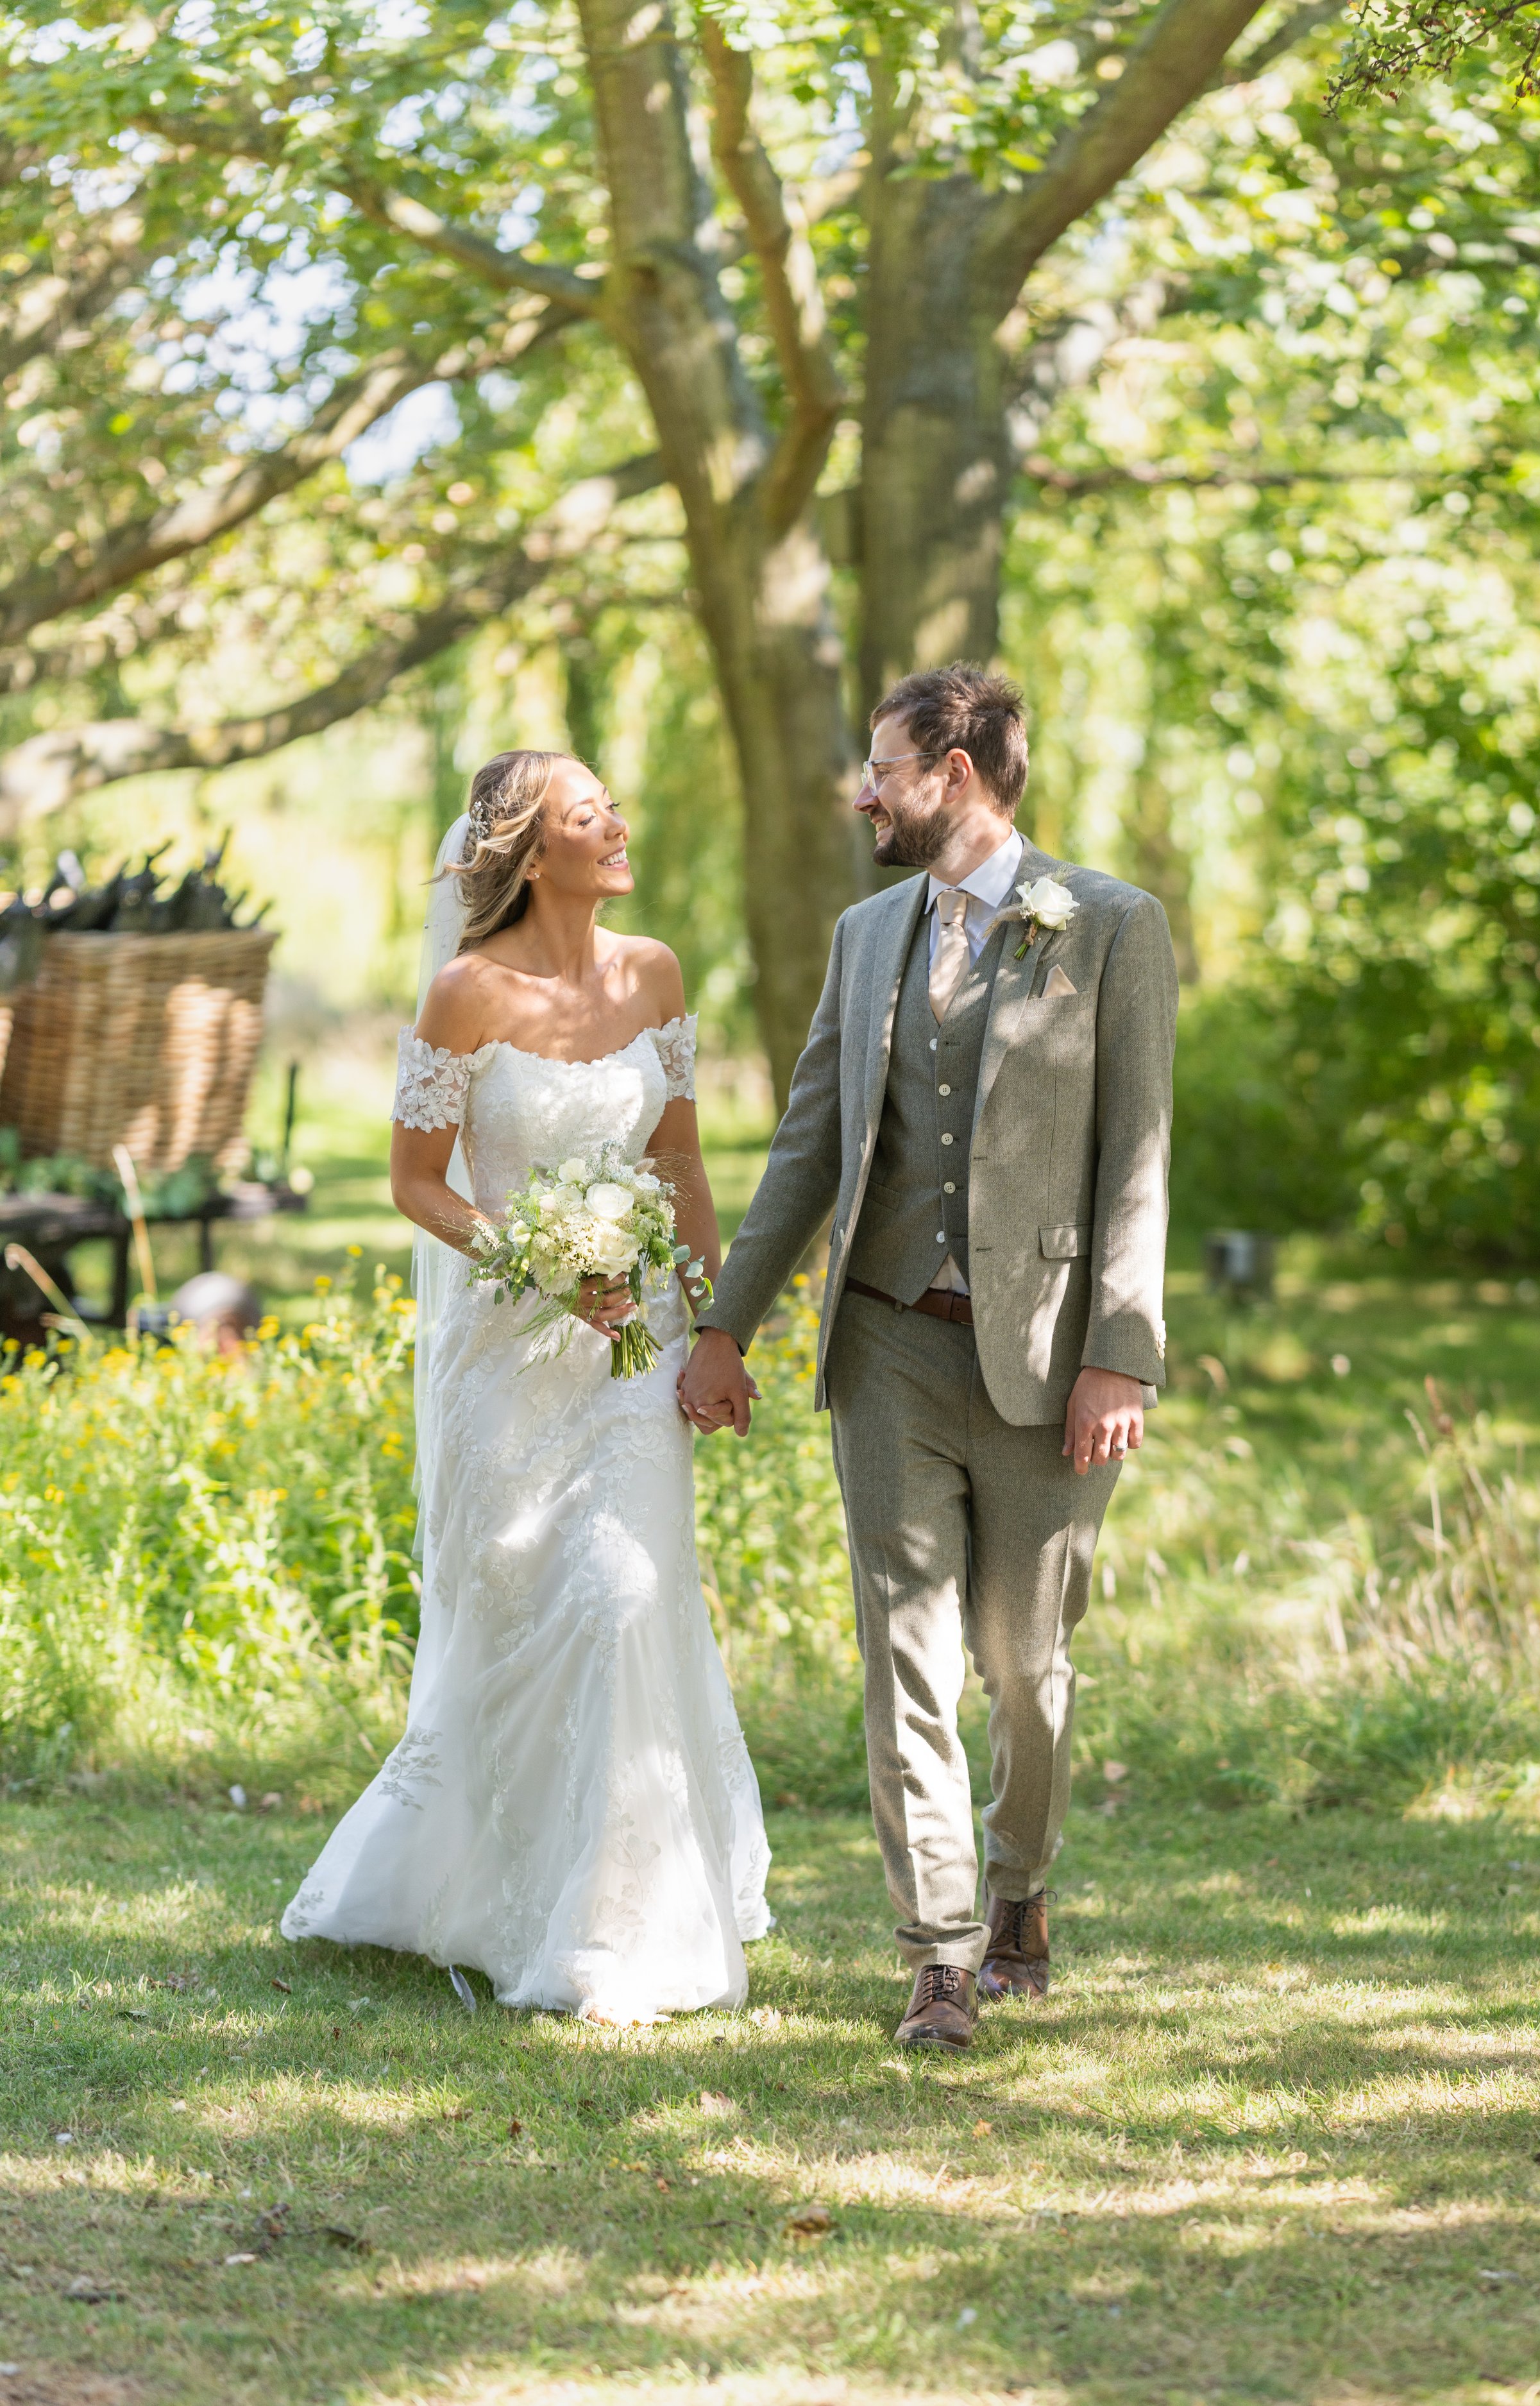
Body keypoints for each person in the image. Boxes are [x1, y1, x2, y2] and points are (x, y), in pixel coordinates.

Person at [681, 665, 1175, 2052]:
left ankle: (1019, 1889)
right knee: (904, 1653)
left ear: (955, 774)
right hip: (889, 1337)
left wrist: (1118, 1355)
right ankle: (941, 1957)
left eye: (884, 769)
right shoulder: (861, 933)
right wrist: (728, 1318)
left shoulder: (1109, 929)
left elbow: (1136, 1154)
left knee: (1027, 1666)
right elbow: (805, 1147)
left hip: (1047, 1358)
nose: (863, 792)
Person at [282, 749, 770, 2022]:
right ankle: (484, 1895)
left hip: (635, 1346)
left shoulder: (653, 973)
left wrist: (718, 1326)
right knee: (511, 1604)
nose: (617, 823)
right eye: (585, 812)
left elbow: (681, 1163)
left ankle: (614, 1930)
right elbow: (415, 1183)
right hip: (506, 1349)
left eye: (610, 802)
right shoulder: (465, 993)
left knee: (624, 1596)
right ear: (528, 849)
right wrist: (544, 1263)